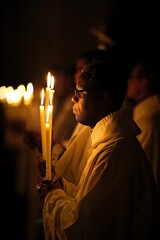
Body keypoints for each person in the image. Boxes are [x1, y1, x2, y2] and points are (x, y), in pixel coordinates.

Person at [38, 61, 158, 240]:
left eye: (79, 93)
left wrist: (53, 195)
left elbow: (85, 227)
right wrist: (61, 187)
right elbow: (93, 202)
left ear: (102, 97)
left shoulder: (113, 154)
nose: (73, 98)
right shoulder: (110, 144)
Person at [126, 56, 160, 212]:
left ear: (144, 82)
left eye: (132, 77)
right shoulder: (144, 112)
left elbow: (140, 164)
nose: (128, 82)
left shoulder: (147, 119)